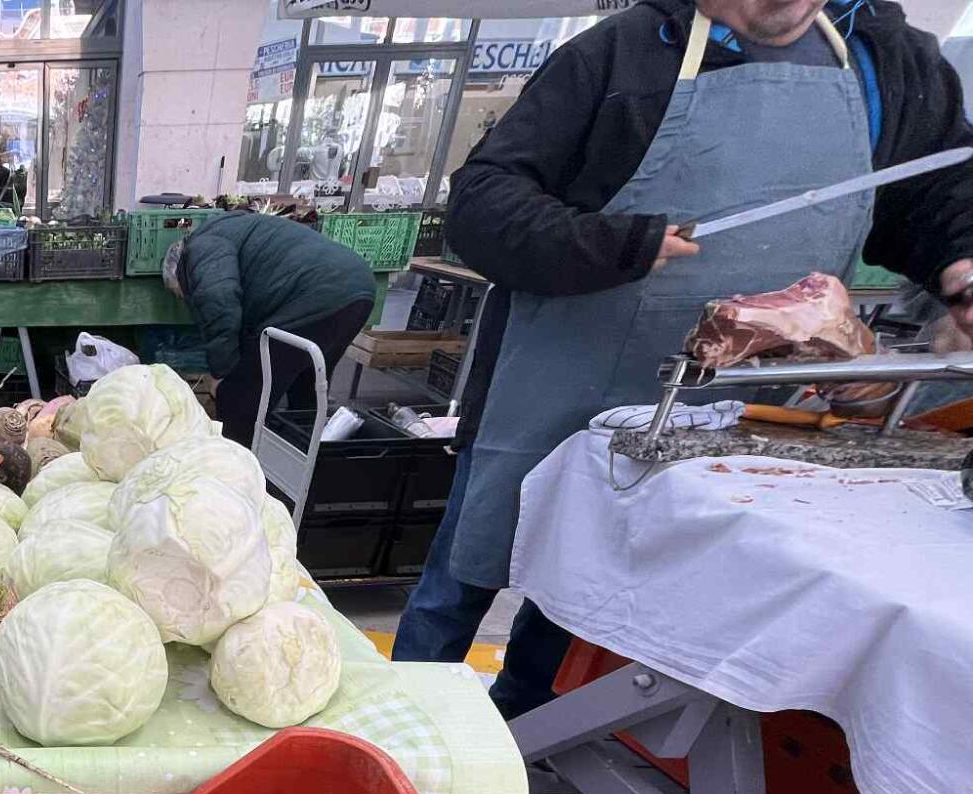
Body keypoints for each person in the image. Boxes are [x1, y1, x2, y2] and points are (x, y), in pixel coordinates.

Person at [391, 0, 973, 718]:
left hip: (739, 406)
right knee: (466, 567)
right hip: (561, 377)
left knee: (594, 585)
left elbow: (939, 194)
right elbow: (481, 205)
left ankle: (526, 724)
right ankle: (402, 723)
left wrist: (959, 265)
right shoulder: (623, 55)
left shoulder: (888, 61)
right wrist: (613, 244)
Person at [162, 214, 375, 447]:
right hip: (358, 287)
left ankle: (235, 471)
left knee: (240, 397)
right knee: (306, 388)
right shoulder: (228, 228)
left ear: (180, 270)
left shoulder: (201, 249)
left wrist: (221, 374)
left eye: (182, 293)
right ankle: (302, 465)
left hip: (314, 292)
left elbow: (219, 303)